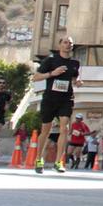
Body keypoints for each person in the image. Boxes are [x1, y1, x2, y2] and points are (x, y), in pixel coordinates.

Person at [32, 36, 81, 173]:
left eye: (70, 43)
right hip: (50, 98)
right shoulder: (51, 60)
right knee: (45, 130)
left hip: (66, 99)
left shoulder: (75, 63)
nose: (68, 45)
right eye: (65, 42)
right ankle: (38, 159)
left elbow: (75, 76)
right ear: (59, 45)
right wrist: (52, 73)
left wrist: (77, 81)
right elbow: (36, 77)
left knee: (64, 127)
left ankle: (59, 161)